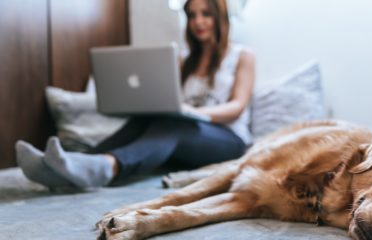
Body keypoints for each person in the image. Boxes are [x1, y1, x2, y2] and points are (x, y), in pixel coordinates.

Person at [15, 0, 255, 192]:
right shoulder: (184, 60)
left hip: (228, 140)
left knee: (173, 124)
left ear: (219, 16)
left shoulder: (242, 55)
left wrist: (193, 113)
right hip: (186, 136)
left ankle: (107, 167)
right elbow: (171, 99)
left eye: (205, 13)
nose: (198, 21)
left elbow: (237, 106)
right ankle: (68, 164)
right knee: (152, 119)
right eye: (192, 15)